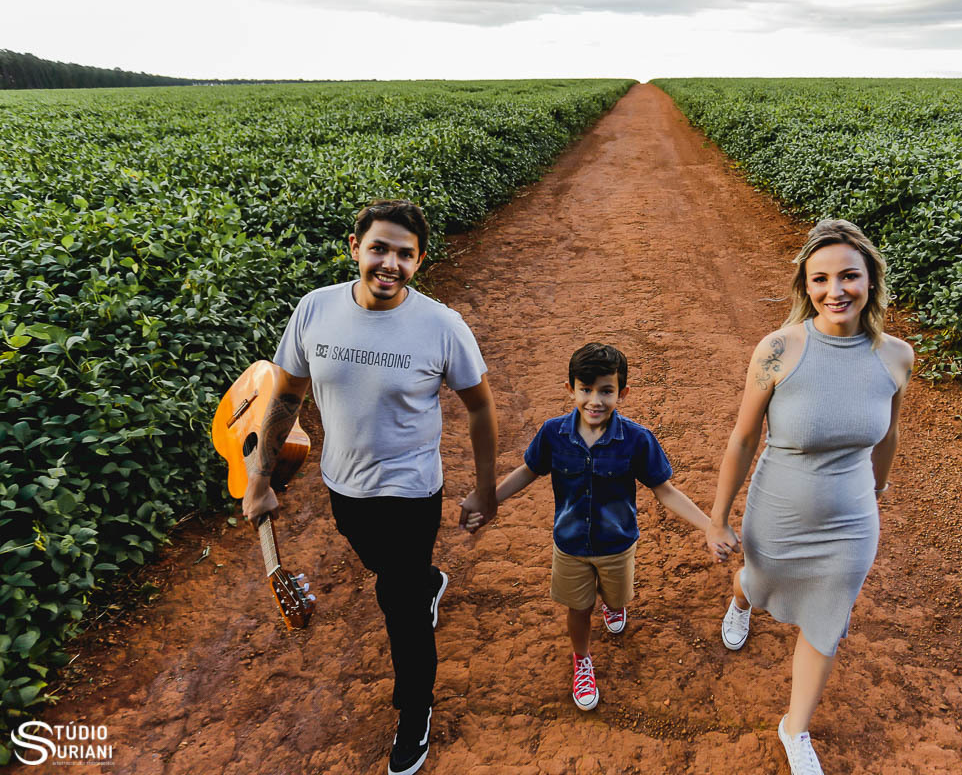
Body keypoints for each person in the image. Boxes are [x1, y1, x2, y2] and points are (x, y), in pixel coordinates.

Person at [242, 198, 498, 775]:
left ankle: (414, 714)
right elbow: (285, 397)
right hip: (344, 487)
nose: (390, 264)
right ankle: (428, 581)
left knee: (398, 605)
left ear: (420, 261)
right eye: (379, 249)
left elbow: (481, 409)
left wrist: (486, 490)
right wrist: (260, 481)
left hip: (411, 493)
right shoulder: (315, 310)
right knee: (383, 570)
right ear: (354, 248)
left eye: (405, 255)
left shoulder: (441, 326)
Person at [706, 219, 913, 775]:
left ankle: (794, 728)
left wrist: (878, 489)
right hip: (778, 511)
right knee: (757, 576)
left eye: (849, 275)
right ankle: (743, 599)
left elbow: (888, 435)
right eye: (820, 279)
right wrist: (718, 519)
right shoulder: (778, 349)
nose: (835, 290)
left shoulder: (896, 357)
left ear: (871, 279)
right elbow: (744, 437)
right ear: (805, 285)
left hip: (851, 522)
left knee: (828, 618)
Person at [460, 342, 732, 711]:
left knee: (617, 598)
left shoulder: (637, 440)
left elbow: (664, 490)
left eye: (606, 391)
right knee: (578, 608)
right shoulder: (553, 434)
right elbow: (528, 471)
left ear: (623, 392)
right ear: (570, 388)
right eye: (585, 390)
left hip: (617, 544)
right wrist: (489, 500)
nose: (595, 401)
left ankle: (613, 605)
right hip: (570, 545)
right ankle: (582, 657)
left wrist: (709, 526)